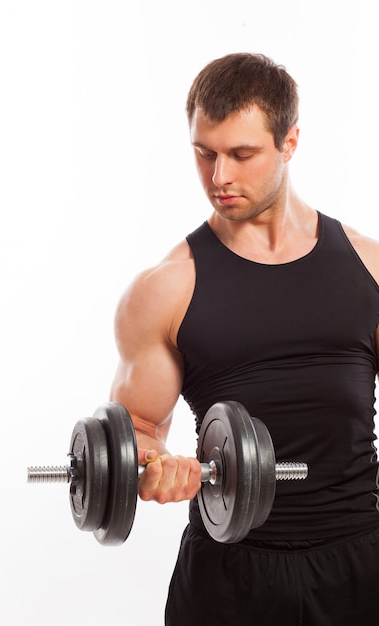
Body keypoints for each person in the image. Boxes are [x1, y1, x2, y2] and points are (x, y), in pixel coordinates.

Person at [109, 52, 379, 625]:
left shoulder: (367, 269)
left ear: (290, 142)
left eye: (242, 154)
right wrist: (156, 465)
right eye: (203, 153)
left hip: (361, 566)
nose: (219, 176)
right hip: (228, 579)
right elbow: (136, 431)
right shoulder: (166, 290)